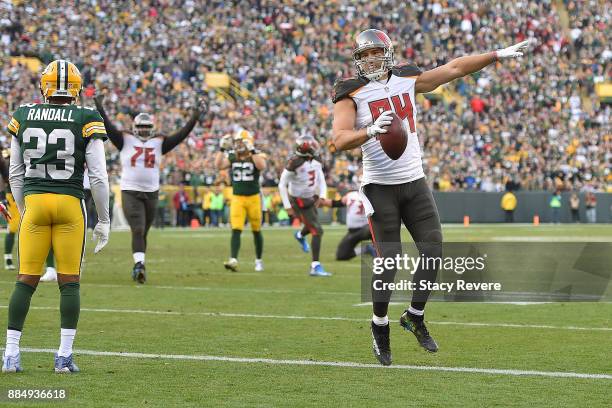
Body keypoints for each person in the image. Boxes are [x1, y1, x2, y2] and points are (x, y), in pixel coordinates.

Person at [332, 29, 532, 365]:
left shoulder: (407, 79)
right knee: (389, 261)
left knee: (434, 249)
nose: (370, 59)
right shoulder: (350, 93)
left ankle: (414, 316)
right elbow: (338, 139)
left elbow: (454, 69)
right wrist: (370, 130)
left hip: (415, 182)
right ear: (357, 59)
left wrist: (496, 54)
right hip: (379, 186)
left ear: (387, 52)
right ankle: (379, 326)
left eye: (376, 52)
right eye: (364, 54)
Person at [2, 60, 110, 373]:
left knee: (25, 280)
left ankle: (11, 355)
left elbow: (15, 172)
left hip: (35, 201)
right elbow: (99, 176)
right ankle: (63, 357)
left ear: (44, 85)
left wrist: (25, 209)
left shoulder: (24, 113)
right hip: (69, 204)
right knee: (70, 282)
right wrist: (103, 219)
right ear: (76, 87)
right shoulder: (86, 116)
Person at [94, 94, 205, 283]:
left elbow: (181, 135)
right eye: (141, 127)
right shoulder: (124, 139)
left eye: (147, 127)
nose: (144, 131)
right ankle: (139, 266)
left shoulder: (159, 142)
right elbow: (108, 127)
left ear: (151, 128)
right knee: (137, 229)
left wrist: (194, 118)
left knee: (143, 231)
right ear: (135, 128)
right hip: (130, 190)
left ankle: (139, 262)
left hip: (152, 192)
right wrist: (100, 107)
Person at [278, 137, 331, 277]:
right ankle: (315, 266)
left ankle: (300, 235)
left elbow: (320, 178)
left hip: (311, 196)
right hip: (298, 199)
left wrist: (322, 195)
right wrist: (287, 205)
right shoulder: (294, 163)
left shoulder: (316, 160)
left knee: (311, 224)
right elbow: (282, 184)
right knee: (317, 230)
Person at [214, 130, 266, 272]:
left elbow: (262, 166)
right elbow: (218, 165)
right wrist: (221, 149)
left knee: (256, 230)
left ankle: (259, 260)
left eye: (241, 142)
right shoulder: (233, 156)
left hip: (254, 198)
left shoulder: (255, 155)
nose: (238, 145)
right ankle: (233, 259)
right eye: (237, 142)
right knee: (236, 228)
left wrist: (252, 149)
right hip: (237, 197)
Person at [329, 191, 376, 261]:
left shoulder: (372, 195)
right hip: (353, 231)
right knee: (341, 255)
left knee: (373, 230)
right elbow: (337, 203)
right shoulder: (351, 195)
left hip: (365, 228)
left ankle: (380, 253)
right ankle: (366, 249)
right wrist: (321, 202)